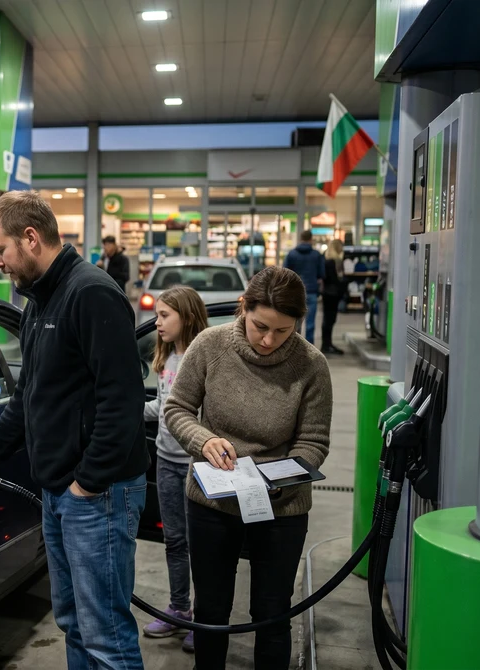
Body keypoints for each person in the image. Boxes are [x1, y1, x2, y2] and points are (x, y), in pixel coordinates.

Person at [0, 190, 149, 669]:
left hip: (96, 493)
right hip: (64, 491)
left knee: (105, 633)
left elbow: (122, 403)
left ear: (31, 238)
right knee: (75, 624)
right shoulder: (41, 300)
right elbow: (28, 399)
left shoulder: (91, 293)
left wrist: (87, 483)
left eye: (0, 250)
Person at [163, 266, 333, 670]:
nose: (269, 340)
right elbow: (178, 408)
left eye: (283, 331)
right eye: (261, 326)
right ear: (243, 307)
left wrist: (280, 479)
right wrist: (204, 441)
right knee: (211, 612)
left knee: (273, 613)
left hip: (281, 506)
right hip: (212, 501)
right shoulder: (209, 345)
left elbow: (314, 441)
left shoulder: (312, 365)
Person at [140, 285, 210, 654]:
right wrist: (128, 410)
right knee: (175, 541)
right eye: (157, 315)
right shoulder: (166, 360)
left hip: (197, 467)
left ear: (187, 316)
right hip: (165, 460)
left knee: (200, 545)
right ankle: (179, 608)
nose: (157, 323)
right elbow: (161, 408)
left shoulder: (201, 360)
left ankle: (203, 616)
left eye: (165, 315)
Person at [282, 230, 325, 345]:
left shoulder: (292, 254)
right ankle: (309, 348)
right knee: (310, 323)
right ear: (311, 239)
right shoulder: (316, 255)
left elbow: (284, 272)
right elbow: (322, 273)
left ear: (300, 238)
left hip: (295, 293)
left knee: (296, 323)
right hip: (311, 291)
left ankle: (294, 347)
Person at [321, 239, 346, 355]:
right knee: (330, 319)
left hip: (327, 293)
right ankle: (327, 345)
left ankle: (326, 344)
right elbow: (338, 279)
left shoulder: (325, 260)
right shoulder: (336, 262)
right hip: (333, 293)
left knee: (327, 319)